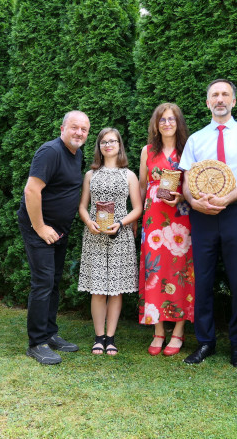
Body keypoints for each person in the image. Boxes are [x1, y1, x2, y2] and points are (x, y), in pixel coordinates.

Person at [179, 79, 237, 367]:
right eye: (214, 95)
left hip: (235, 213)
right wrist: (193, 202)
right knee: (203, 280)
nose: (219, 99)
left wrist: (226, 199)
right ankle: (205, 342)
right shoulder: (196, 140)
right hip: (201, 215)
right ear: (207, 103)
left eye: (225, 94)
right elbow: (186, 181)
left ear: (233, 101)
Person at [18, 111, 90, 365]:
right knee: (43, 282)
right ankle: (37, 343)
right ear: (62, 128)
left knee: (54, 281)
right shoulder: (50, 152)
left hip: (59, 229)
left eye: (84, 129)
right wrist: (40, 227)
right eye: (74, 127)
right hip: (39, 227)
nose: (79, 133)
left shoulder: (76, 154)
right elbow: (31, 190)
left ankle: (49, 333)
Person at [78, 128, 142, 355]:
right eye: (104, 142)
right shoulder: (90, 175)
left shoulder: (129, 175)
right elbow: (82, 206)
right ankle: (99, 337)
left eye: (112, 141)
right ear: (99, 147)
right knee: (97, 289)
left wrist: (122, 223)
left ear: (119, 145)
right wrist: (88, 222)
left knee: (116, 290)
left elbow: (137, 208)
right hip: (94, 235)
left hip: (120, 235)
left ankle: (111, 338)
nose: (108, 145)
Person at [138, 103, 195, 356]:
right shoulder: (147, 151)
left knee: (181, 271)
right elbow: (143, 186)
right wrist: (139, 219)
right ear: (156, 124)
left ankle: (179, 331)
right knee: (155, 270)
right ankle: (158, 330)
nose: (167, 123)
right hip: (153, 221)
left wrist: (182, 197)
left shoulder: (188, 151)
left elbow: (193, 186)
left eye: (172, 119)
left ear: (178, 123)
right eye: (162, 119)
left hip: (180, 218)